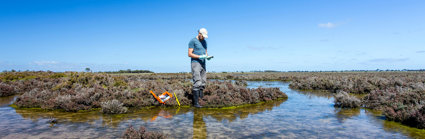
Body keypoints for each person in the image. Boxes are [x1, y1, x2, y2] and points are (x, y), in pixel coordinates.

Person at [188, 28, 212, 108]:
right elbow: (189, 54)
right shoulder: (193, 41)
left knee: (203, 82)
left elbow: (205, 52)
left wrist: (207, 56)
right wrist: (199, 56)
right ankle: (196, 103)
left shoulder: (205, 42)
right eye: (203, 36)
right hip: (195, 63)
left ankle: (201, 100)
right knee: (197, 81)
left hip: (203, 63)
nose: (204, 38)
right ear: (199, 34)